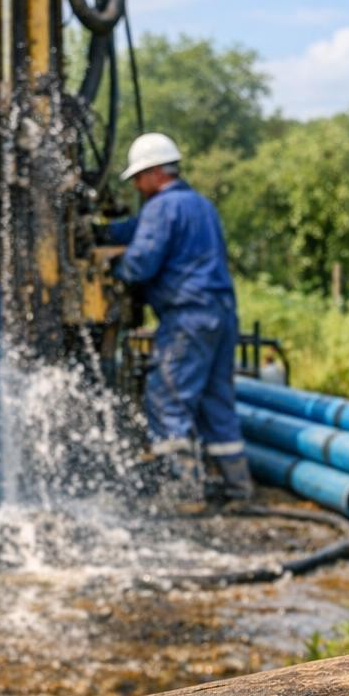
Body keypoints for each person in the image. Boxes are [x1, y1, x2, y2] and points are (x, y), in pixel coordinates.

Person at [103, 132, 254, 504]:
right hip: (221, 314)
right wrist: (102, 231)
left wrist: (112, 267)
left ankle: (184, 490)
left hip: (188, 317)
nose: (137, 186)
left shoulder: (161, 209)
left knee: (167, 396)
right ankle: (238, 488)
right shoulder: (200, 205)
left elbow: (140, 263)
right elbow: (134, 230)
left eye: (139, 177)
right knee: (216, 401)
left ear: (156, 173)